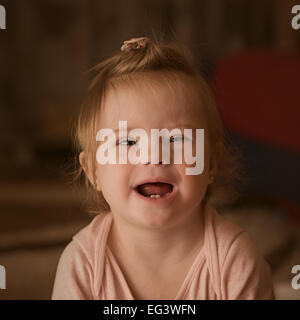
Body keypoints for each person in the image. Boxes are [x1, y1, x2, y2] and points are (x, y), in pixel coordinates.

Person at [51, 36, 275, 300]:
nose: (154, 155)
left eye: (176, 139)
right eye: (128, 141)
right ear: (93, 171)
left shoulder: (233, 261)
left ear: (211, 162)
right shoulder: (83, 264)